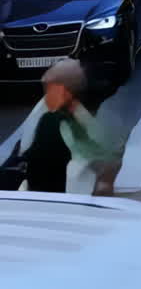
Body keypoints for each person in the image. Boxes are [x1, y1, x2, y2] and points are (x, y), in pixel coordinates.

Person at [19, 59, 124, 195]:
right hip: (39, 196)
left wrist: (104, 182)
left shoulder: (72, 123)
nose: (43, 82)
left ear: (63, 90)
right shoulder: (47, 112)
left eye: (50, 85)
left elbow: (108, 157)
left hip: (59, 202)